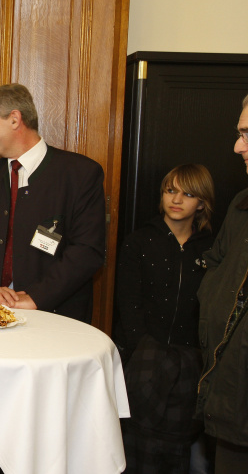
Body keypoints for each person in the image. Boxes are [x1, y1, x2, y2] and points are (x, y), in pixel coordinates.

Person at [0, 83, 106, 473]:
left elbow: (87, 252)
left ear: (15, 119)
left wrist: (33, 298)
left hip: (52, 329)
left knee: (37, 440)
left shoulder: (80, 174)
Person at [114, 164, 215, 474]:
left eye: (188, 193)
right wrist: (143, 351)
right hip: (145, 359)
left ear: (202, 202)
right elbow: (128, 304)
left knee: (179, 452)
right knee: (136, 449)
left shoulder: (212, 248)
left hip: (191, 365)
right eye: (171, 190)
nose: (177, 199)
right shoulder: (139, 241)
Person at [196, 94, 248, 474]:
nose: (236, 146)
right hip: (229, 397)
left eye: (247, 134)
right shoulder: (241, 204)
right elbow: (216, 265)